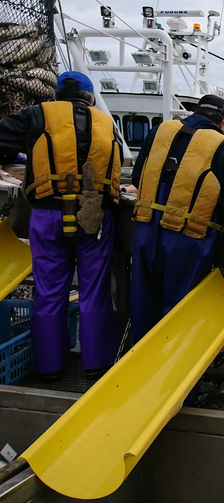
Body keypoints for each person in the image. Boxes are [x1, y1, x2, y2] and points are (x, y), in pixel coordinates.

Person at [0, 71, 121, 379]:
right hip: (94, 215)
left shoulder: (37, 115)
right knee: (95, 291)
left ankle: (49, 367)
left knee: (49, 291)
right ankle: (96, 365)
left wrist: (17, 156)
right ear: (90, 97)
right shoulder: (106, 123)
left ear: (57, 95)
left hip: (48, 215)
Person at [129, 94, 224, 342]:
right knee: (180, 309)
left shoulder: (159, 132)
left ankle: (142, 370)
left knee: (144, 304)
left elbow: (137, 178)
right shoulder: (223, 146)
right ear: (223, 124)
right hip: (187, 238)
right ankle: (177, 375)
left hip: (146, 230)